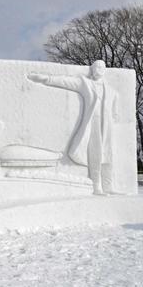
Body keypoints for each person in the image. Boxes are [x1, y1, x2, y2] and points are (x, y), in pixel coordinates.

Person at [27, 60, 118, 195]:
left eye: (101, 67)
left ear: (105, 70)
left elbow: (115, 112)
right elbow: (66, 81)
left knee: (109, 155)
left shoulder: (111, 91)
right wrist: (46, 79)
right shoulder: (85, 83)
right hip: (93, 123)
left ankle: (109, 186)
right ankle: (97, 187)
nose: (99, 69)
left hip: (107, 126)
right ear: (92, 69)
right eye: (96, 67)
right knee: (96, 154)